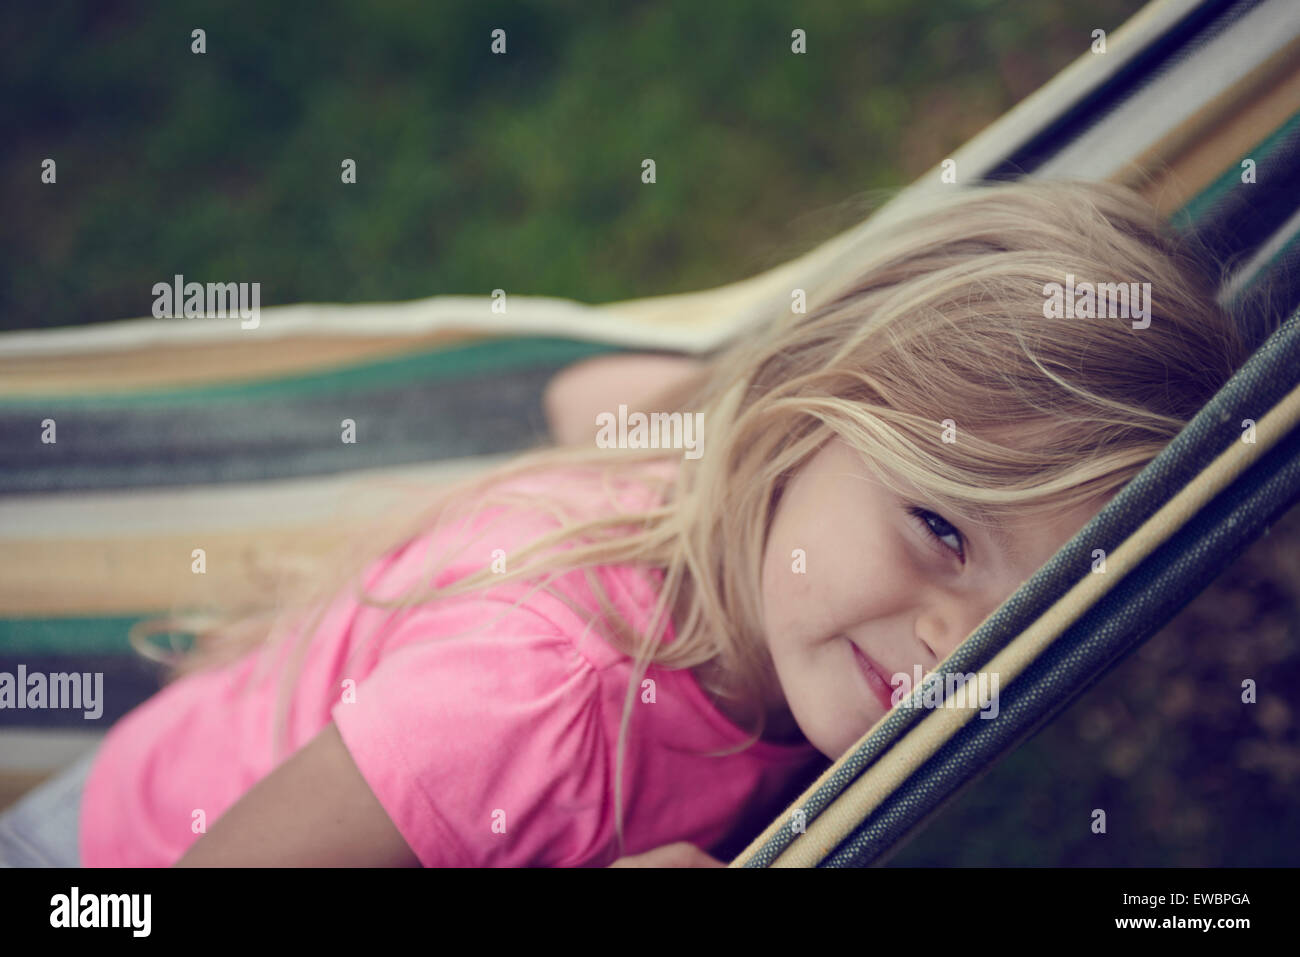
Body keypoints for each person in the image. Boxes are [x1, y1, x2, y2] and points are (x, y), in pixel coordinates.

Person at [0, 180, 1252, 868]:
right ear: (808, 410)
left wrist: (730, 389)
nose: (951, 656)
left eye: (1033, 614)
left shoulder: (727, 472)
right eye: (937, 527)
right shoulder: (538, 710)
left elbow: (575, 398)